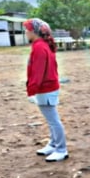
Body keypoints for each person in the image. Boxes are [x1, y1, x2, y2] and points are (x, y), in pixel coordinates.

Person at [23, 18, 68, 162]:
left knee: (53, 120)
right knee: (51, 120)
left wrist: (32, 90)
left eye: (27, 29)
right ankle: (54, 144)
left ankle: (61, 149)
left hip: (45, 88)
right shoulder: (41, 45)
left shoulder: (39, 47)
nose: (25, 32)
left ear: (33, 31)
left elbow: (38, 72)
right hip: (47, 86)